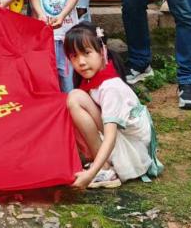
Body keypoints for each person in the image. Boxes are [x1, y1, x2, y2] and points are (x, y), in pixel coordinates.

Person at [64, 24, 162, 189]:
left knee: (75, 98)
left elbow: (110, 136)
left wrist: (90, 174)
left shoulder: (111, 87)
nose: (81, 62)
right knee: (72, 98)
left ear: (102, 51)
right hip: (120, 141)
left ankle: (105, 169)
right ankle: (100, 163)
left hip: (131, 153)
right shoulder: (93, 79)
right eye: (74, 56)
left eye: (87, 53)